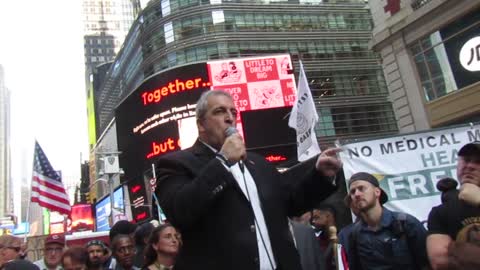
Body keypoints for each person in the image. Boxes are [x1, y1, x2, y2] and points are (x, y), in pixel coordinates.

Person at [154, 90, 341, 270]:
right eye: (219, 111)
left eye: (233, 112)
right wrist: (223, 162)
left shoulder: (257, 163)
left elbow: (290, 203)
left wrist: (321, 176)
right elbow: (180, 211)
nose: (230, 117)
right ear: (201, 124)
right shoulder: (175, 163)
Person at [345, 172, 429, 270]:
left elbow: (426, 263)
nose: (357, 194)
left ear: (377, 192)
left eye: (361, 188)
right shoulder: (355, 234)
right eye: (352, 192)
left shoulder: (406, 223)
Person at [427, 141, 480, 269]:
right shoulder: (441, 212)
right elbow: (440, 262)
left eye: (478, 162)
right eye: (466, 160)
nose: (469, 166)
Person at [311, 204, 337, 270]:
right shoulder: (316, 241)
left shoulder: (343, 237)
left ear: (328, 216)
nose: (313, 221)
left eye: (316, 217)